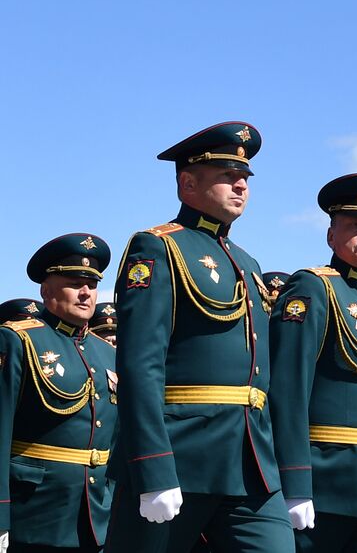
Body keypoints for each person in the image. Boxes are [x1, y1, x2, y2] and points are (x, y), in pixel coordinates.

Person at [106, 121, 293, 552]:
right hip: (182, 455)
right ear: (187, 182)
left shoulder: (248, 264)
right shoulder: (158, 247)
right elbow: (140, 364)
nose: (241, 185)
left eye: (245, 177)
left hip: (251, 460)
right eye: (228, 175)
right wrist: (152, 468)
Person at [269, 173, 357, 552]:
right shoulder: (313, 288)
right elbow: (288, 391)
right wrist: (296, 484)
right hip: (326, 485)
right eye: (355, 225)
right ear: (331, 235)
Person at [0, 234, 118, 553]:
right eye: (74, 282)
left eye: (92, 285)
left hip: (96, 518)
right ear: (46, 289)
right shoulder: (18, 341)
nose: (85, 293)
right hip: (34, 516)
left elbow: (116, 441)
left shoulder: (108, 354)